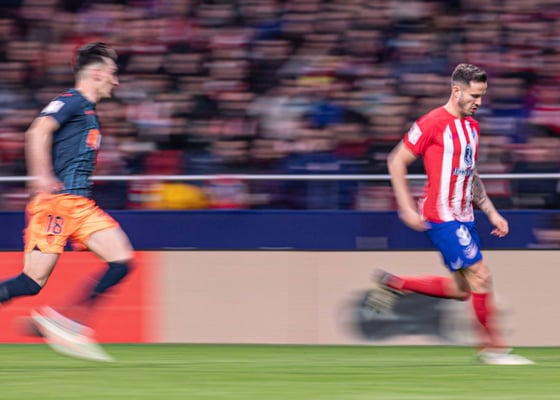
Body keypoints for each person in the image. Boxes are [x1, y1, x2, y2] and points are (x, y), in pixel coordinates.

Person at [368, 63, 534, 365]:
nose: (479, 102)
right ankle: (492, 349)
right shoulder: (431, 122)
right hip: (441, 215)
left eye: (482, 95)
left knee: (461, 290)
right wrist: (405, 207)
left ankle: (398, 283)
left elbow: (471, 174)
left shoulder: (472, 127)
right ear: (456, 90)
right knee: (481, 275)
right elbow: (396, 160)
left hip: (464, 216)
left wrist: (491, 212)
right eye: (474, 95)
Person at [0, 42, 133, 362]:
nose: (116, 81)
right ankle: (64, 323)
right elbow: (37, 131)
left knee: (122, 260)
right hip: (57, 204)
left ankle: (68, 323)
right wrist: (41, 174)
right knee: (31, 283)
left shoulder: (88, 112)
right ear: (96, 74)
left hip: (82, 206)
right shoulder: (70, 101)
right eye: (113, 74)